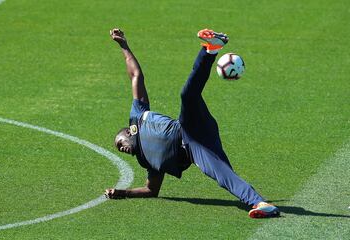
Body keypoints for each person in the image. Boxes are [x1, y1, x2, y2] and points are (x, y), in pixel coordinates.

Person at [105, 28, 280, 218]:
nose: (119, 147)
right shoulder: (146, 160)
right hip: (194, 149)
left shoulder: (138, 116)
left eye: (119, 142)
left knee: (187, 96)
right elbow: (151, 190)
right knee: (222, 175)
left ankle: (210, 49)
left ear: (128, 132)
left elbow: (136, 76)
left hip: (189, 126)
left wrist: (124, 45)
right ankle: (260, 204)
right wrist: (122, 193)